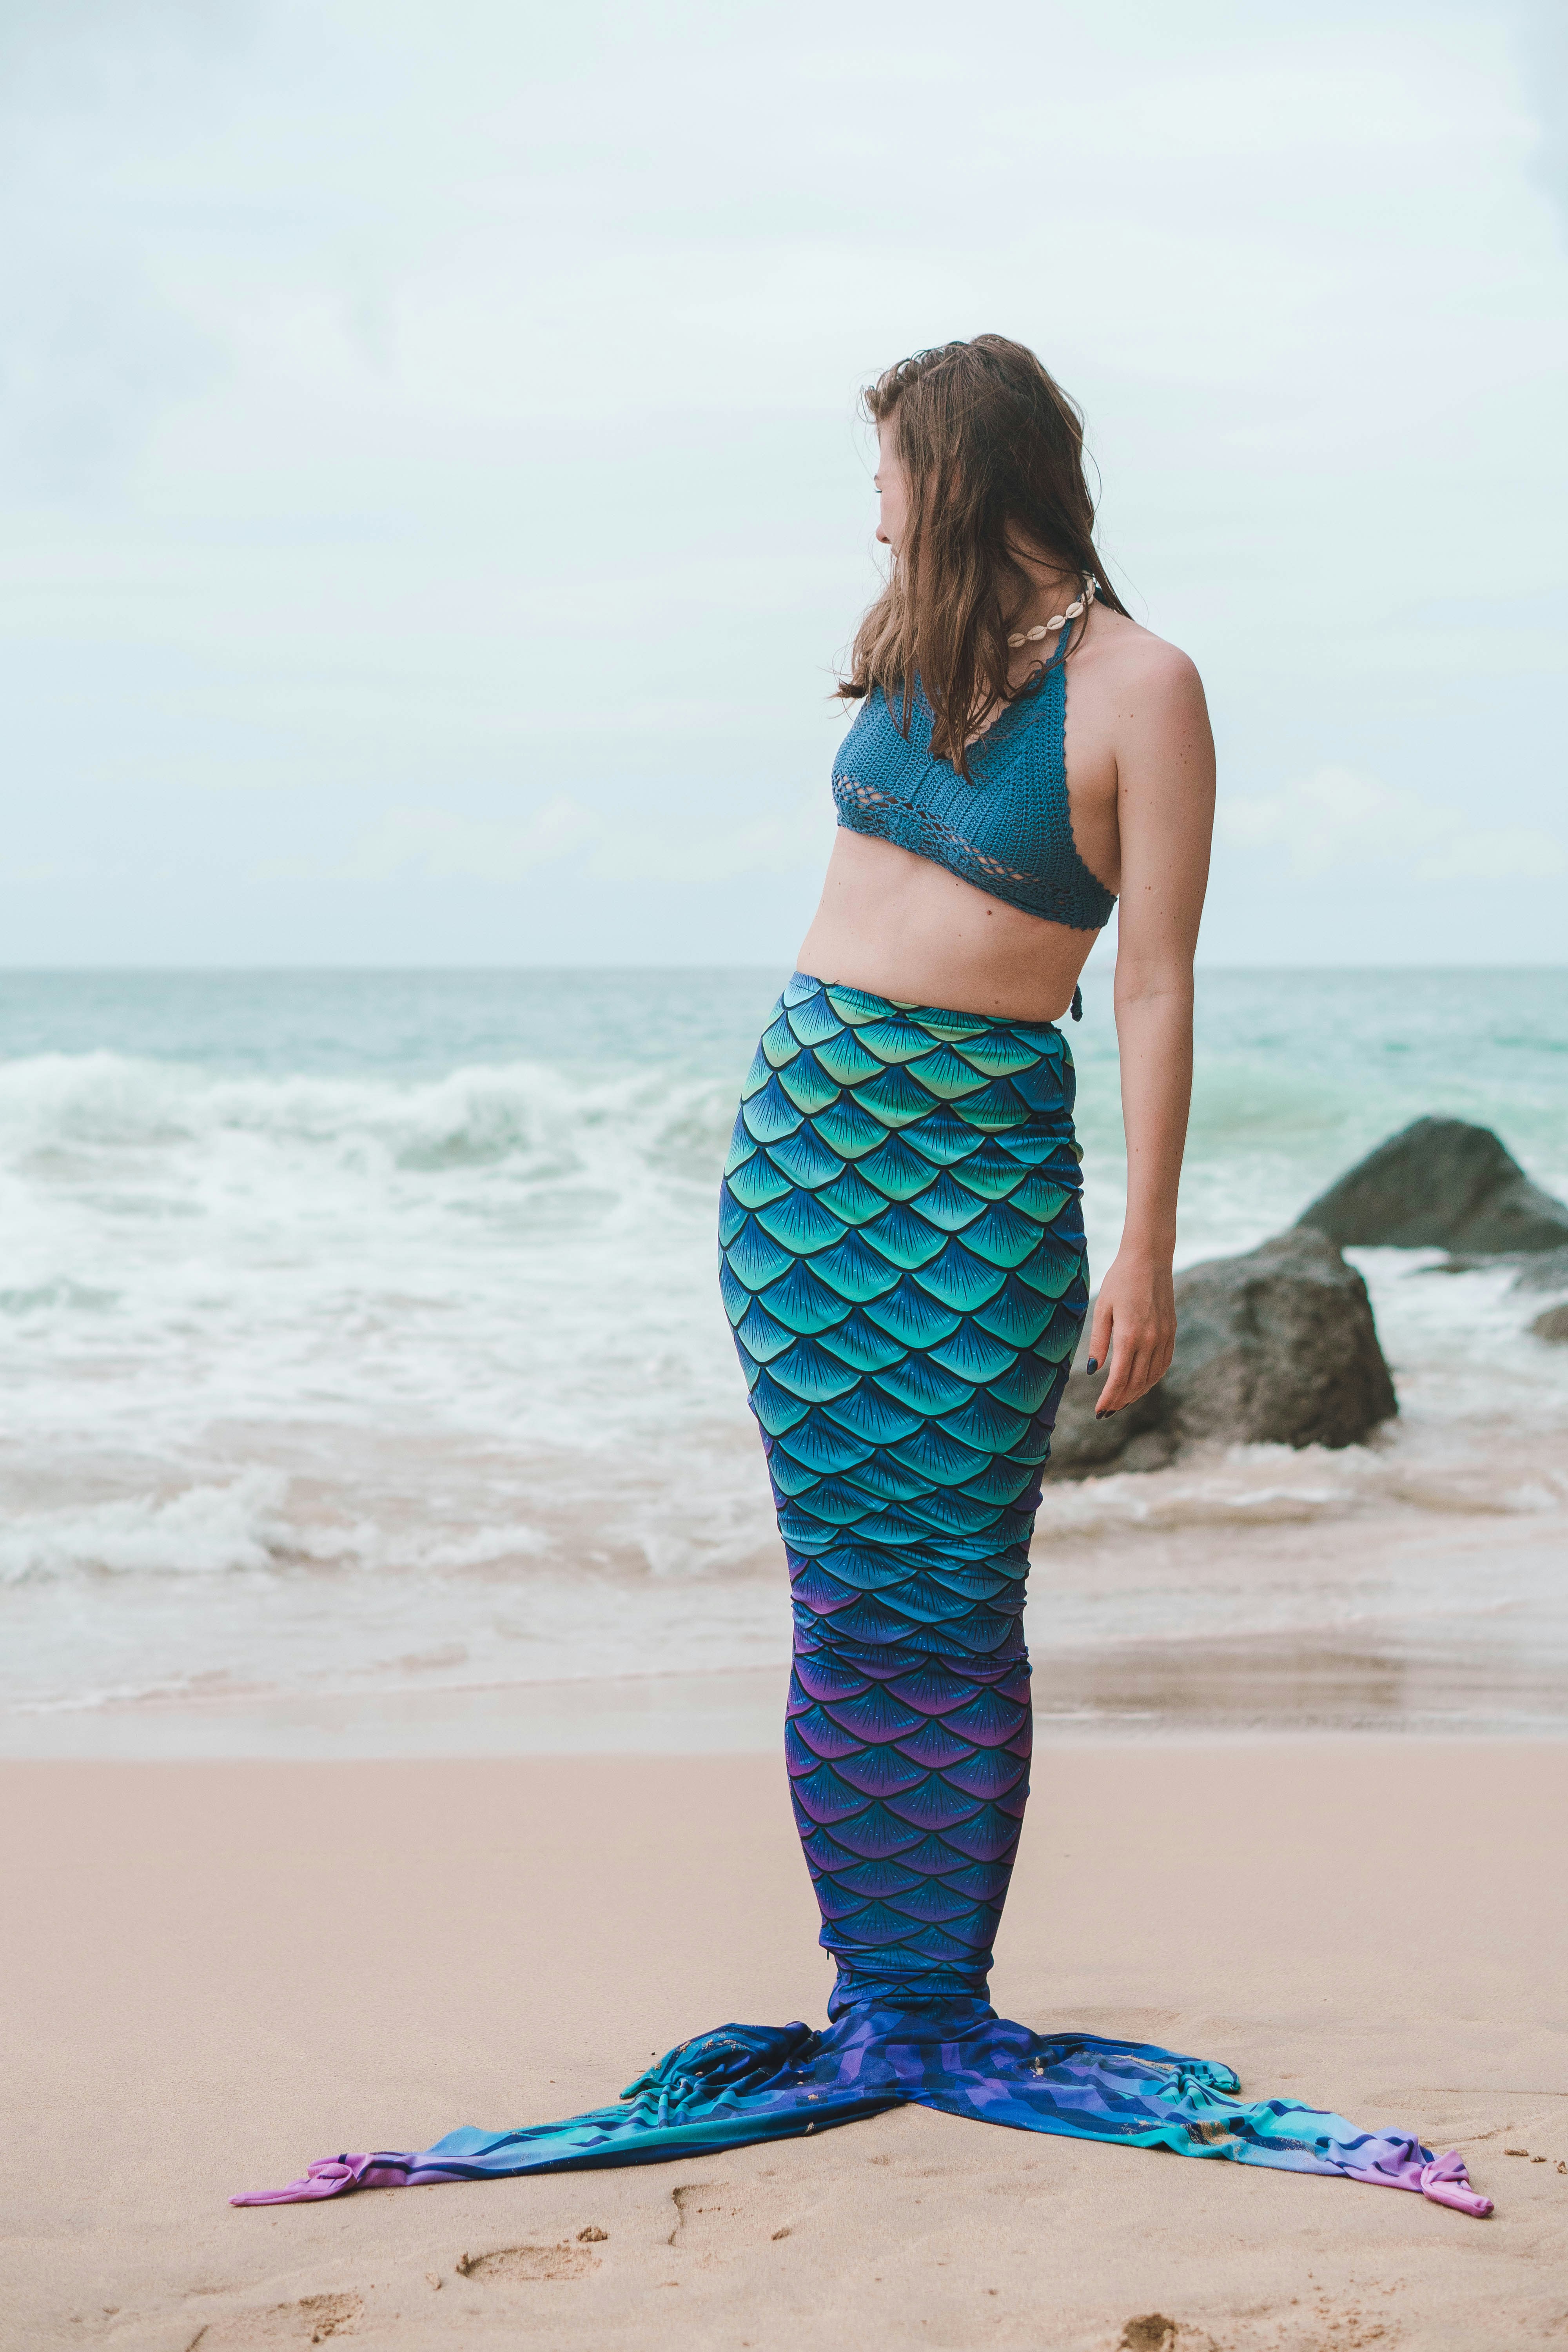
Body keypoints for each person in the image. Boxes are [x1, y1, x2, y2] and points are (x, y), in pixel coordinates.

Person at [233, 338, 1489, 2219]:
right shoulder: (906, 647)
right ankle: (869, 1998)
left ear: (962, 471)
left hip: (977, 1182)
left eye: (889, 473)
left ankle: (928, 2007)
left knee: (954, 1593)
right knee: (841, 1596)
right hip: (803, 1175)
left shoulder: (1146, 686)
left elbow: (1153, 979)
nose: (875, 512)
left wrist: (1148, 1238)